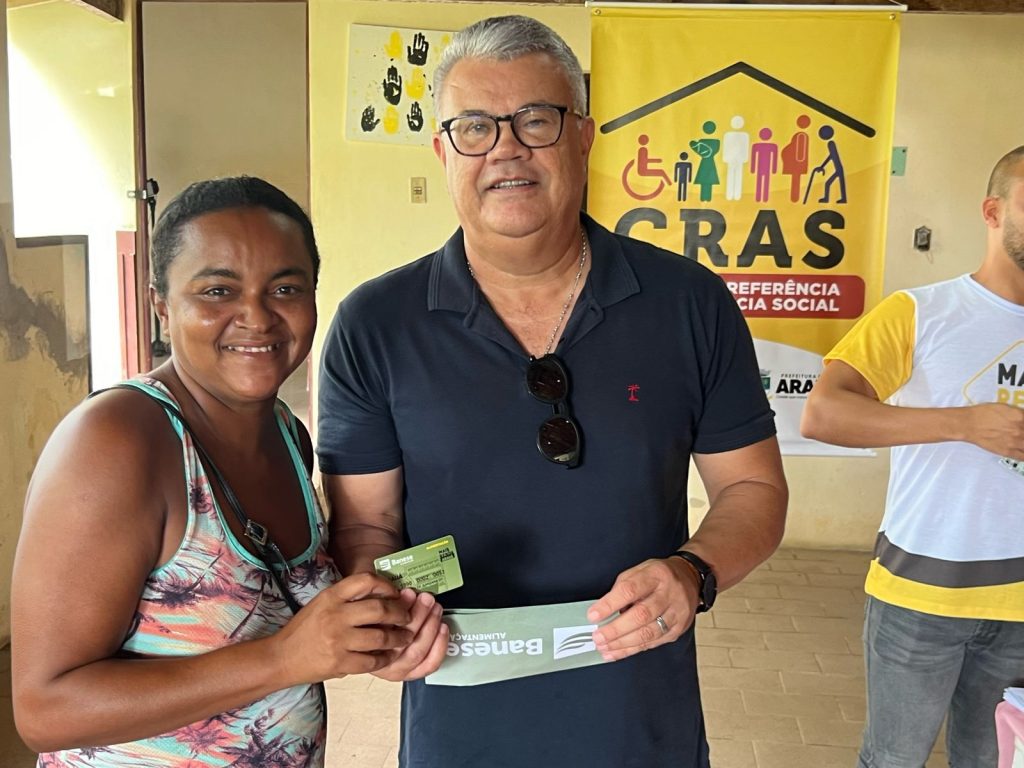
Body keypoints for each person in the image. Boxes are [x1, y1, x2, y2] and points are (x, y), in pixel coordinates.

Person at [317, 16, 788, 768]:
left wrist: (693, 572)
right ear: (442, 152)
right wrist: (384, 615)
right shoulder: (375, 325)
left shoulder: (689, 303)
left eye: (536, 119)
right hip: (461, 725)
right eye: (475, 127)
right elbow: (366, 525)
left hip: (641, 721)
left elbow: (754, 488)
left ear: (584, 137)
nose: (505, 148)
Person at [11, 176, 447, 767]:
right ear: (161, 305)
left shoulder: (287, 435)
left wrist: (376, 633)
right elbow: (46, 709)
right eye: (218, 290)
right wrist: (284, 657)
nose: (256, 317)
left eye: (285, 288)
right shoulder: (118, 441)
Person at [801, 146, 1024, 767]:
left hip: (1021, 604)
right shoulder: (922, 312)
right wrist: (963, 425)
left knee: (995, 761)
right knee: (894, 760)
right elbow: (824, 413)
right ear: (993, 211)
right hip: (921, 596)